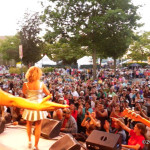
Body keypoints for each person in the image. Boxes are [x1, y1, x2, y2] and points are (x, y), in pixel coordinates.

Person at [21, 66, 64, 150]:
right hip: (39, 105)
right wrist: (42, 97)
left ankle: (29, 141)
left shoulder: (25, 84)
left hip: (29, 105)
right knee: (38, 125)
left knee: (29, 124)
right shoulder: (41, 84)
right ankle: (35, 145)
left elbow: (24, 93)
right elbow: (48, 94)